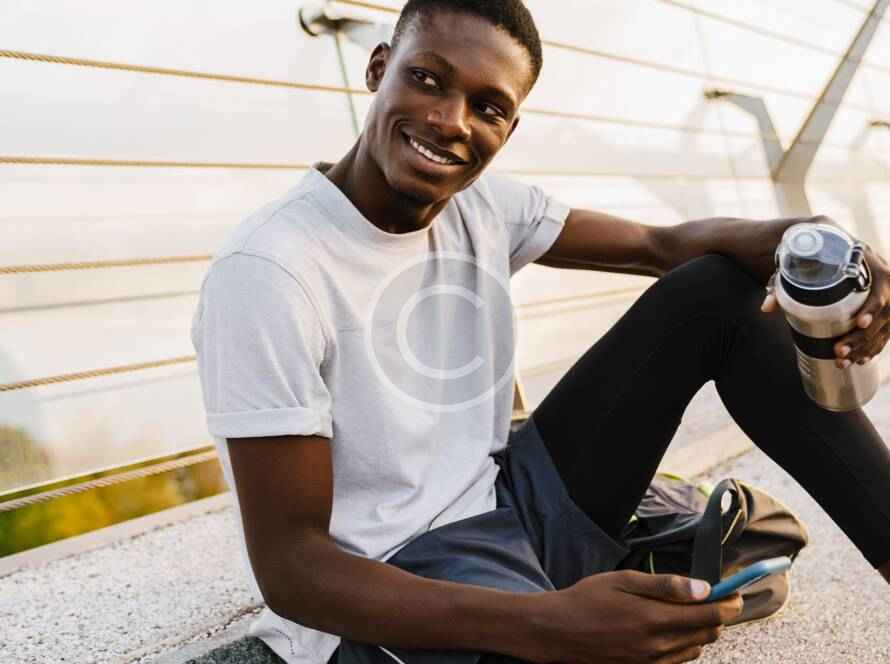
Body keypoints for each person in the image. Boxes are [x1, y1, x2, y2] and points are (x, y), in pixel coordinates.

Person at [190, 1, 890, 662]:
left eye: (487, 107)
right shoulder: (270, 270)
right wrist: (551, 625)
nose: (450, 121)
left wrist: (813, 240)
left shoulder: (481, 202)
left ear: (510, 127)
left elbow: (660, 245)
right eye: (427, 79)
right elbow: (295, 570)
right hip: (398, 585)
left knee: (718, 292)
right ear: (378, 68)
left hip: (511, 505)